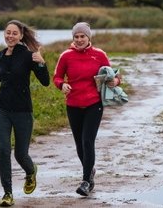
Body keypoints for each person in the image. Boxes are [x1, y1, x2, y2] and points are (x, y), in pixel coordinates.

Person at [0, 20, 50, 207]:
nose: (10, 36)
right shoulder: (1, 55)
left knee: (20, 154)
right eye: (7, 32)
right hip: (2, 110)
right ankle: (7, 193)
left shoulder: (28, 56)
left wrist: (42, 64)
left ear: (20, 36)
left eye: (14, 33)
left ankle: (30, 171)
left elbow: (45, 82)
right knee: (3, 150)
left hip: (23, 111)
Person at [52, 22, 120, 196]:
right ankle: (90, 171)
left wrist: (115, 82)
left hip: (93, 104)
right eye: (76, 37)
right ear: (73, 38)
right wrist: (62, 85)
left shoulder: (99, 55)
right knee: (79, 145)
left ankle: (86, 181)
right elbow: (57, 77)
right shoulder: (66, 56)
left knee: (87, 141)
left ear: (89, 37)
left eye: (83, 36)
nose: (79, 39)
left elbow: (114, 76)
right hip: (73, 104)